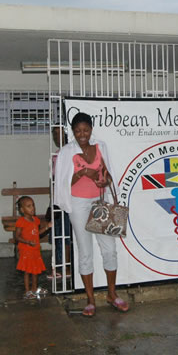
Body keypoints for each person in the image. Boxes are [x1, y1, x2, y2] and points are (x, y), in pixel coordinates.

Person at [54, 112, 129, 317]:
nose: (82, 134)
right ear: (73, 131)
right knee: (85, 251)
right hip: (78, 205)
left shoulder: (100, 147)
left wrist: (105, 181)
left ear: (91, 129)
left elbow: (108, 173)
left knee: (109, 249)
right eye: (78, 131)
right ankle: (90, 300)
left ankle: (112, 294)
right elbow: (61, 184)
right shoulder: (66, 152)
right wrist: (82, 173)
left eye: (85, 130)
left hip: (100, 202)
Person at [45, 125, 71, 279]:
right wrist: (51, 202)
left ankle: (67, 267)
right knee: (58, 233)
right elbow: (53, 181)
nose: (56, 136)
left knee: (66, 234)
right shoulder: (55, 154)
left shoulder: (69, 152)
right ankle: (59, 266)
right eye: (53, 133)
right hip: (56, 200)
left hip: (67, 200)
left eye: (58, 132)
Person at [15, 196, 51, 299]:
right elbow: (17, 237)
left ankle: (34, 288)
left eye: (33, 205)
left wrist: (47, 227)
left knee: (35, 270)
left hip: (35, 250)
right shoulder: (21, 222)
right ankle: (27, 291)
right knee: (27, 271)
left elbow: (37, 233)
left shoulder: (36, 220)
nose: (32, 208)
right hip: (26, 250)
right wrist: (27, 242)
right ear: (22, 210)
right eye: (28, 206)